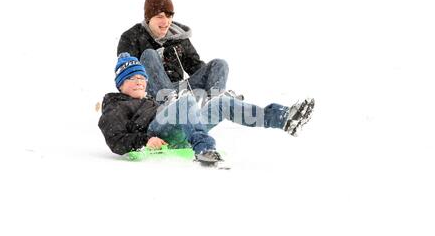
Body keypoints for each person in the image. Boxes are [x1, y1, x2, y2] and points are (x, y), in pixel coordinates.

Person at [98, 53, 315, 164]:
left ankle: (283, 118)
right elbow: (115, 140)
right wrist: (145, 141)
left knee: (220, 103)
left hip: (179, 129)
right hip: (156, 134)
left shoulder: (150, 101)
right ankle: (203, 148)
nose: (139, 82)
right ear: (120, 84)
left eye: (141, 77)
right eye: (132, 78)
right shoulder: (115, 106)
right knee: (185, 100)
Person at [117, 0, 240, 103]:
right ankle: (169, 101)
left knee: (219, 64)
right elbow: (125, 74)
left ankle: (216, 101)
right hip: (150, 92)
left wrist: (211, 78)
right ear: (149, 18)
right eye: (160, 16)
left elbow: (196, 67)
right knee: (149, 54)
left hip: (180, 91)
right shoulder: (131, 37)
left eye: (169, 16)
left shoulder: (179, 38)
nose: (166, 22)